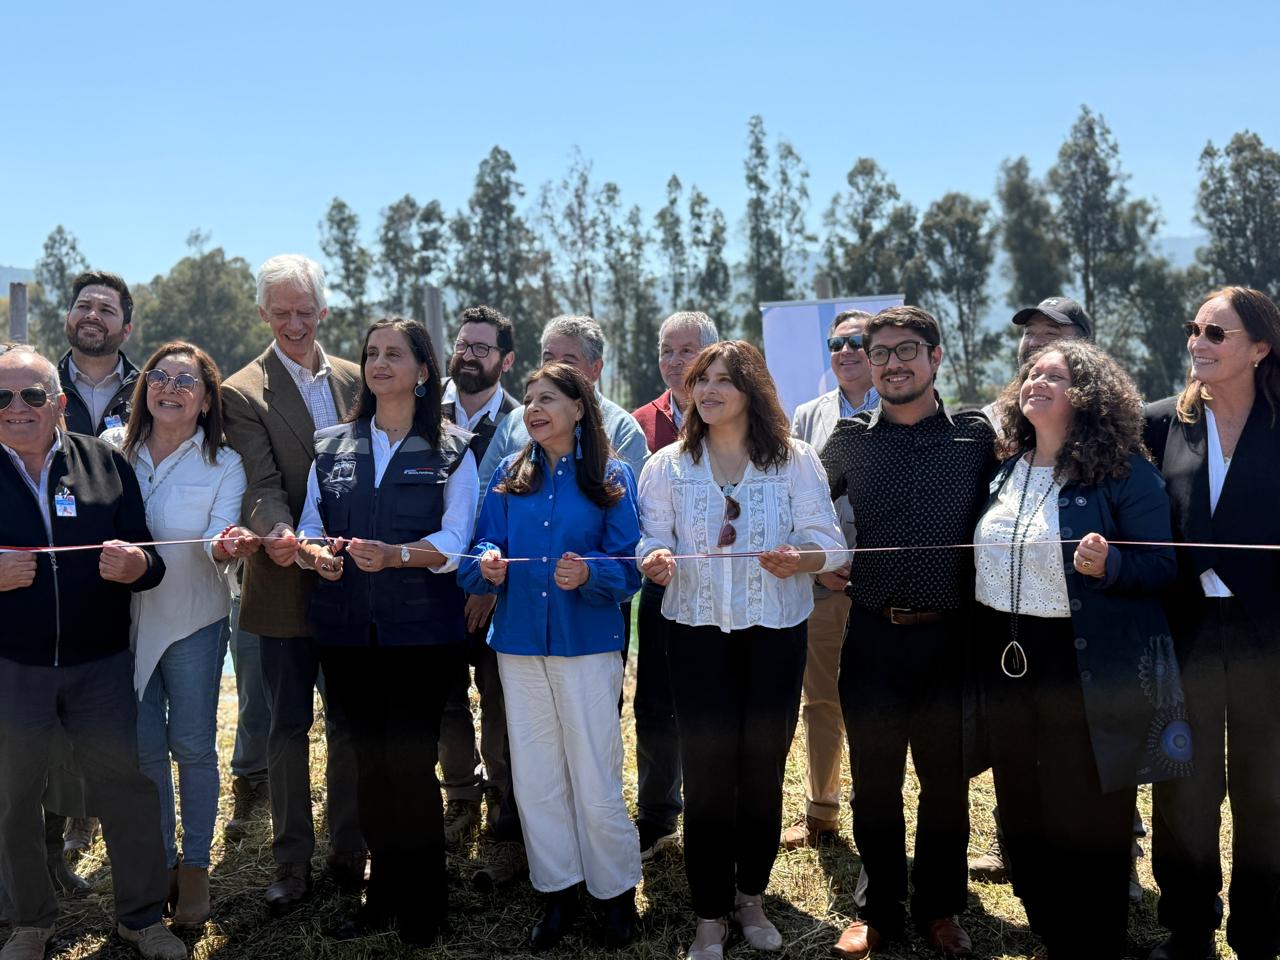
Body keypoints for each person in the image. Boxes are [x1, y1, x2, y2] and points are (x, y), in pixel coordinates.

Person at [638, 340, 847, 960]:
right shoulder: (667, 466)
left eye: (723, 380)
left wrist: (799, 560)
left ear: (752, 391)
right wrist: (653, 558)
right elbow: (649, 537)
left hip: (774, 636)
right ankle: (709, 913)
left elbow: (829, 546)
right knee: (705, 775)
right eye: (701, 380)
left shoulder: (795, 461)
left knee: (761, 769)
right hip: (694, 634)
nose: (706, 390)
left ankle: (750, 898)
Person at [975, 340, 1183, 959]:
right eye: (1031, 373)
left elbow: (1162, 566)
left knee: (1085, 809)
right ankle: (1055, 932)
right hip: (1009, 657)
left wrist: (1112, 563)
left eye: (1055, 376)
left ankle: (1095, 940)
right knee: (1020, 803)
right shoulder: (1006, 467)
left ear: (1087, 396)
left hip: (1083, 663)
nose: (1036, 381)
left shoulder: (1121, 471)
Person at [0, 345, 187, 960]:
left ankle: (140, 919)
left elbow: (151, 560)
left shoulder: (106, 462)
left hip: (100, 665)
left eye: (31, 396)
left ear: (58, 403)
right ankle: (29, 923)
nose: (16, 408)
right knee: (13, 796)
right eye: (2, 397)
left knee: (125, 789)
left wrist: (138, 565)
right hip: (12, 669)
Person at [820, 306, 996, 960]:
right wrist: (822, 562)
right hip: (872, 638)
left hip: (952, 642)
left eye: (907, 350)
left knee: (946, 784)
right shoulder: (846, 440)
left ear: (936, 357)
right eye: (880, 352)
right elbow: (803, 506)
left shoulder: (977, 438)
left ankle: (940, 909)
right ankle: (878, 909)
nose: (893, 363)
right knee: (875, 783)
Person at [295, 317, 477, 944]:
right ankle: (382, 897)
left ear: (424, 371)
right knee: (367, 766)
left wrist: (399, 555)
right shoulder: (331, 446)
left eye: (394, 355)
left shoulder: (454, 448)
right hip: (346, 634)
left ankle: (426, 905)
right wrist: (314, 554)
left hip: (422, 636)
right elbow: (309, 525)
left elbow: (457, 541)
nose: (379, 364)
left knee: (408, 764)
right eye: (372, 354)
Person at [460, 362, 643, 952]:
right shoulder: (510, 478)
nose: (533, 409)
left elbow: (630, 566)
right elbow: (479, 549)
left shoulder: (611, 476)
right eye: (530, 400)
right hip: (515, 648)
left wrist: (590, 572)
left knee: (594, 773)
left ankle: (615, 896)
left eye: (548, 399)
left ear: (579, 407)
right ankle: (557, 893)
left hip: (586, 647)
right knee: (537, 776)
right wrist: (486, 563)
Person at [221, 254, 365, 910]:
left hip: (352, 582)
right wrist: (282, 536)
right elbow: (260, 481)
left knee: (348, 723)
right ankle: (290, 864)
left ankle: (349, 851)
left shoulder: (361, 380)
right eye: (281, 313)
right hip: (282, 581)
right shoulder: (241, 391)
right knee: (285, 728)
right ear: (262, 314)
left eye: (305, 311)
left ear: (324, 311)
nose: (295, 323)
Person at [1145, 286, 1280, 960]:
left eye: (1216, 333)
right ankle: (1189, 927)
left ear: (1259, 349)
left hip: (1269, 643)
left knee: (1269, 789)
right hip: (1184, 636)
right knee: (1184, 788)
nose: (1198, 341)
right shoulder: (1160, 423)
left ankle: (1261, 931)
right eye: (1193, 328)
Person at [101, 341, 257, 927]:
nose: (170, 388)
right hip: (124, 625)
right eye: (159, 377)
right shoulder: (113, 450)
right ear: (143, 389)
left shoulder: (225, 463)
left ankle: (195, 869)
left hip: (194, 618)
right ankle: (160, 862)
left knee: (191, 747)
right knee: (143, 754)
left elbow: (222, 538)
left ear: (207, 398)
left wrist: (228, 544)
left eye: (185, 381)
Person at [54, 269, 145, 871]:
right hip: (43, 585)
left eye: (106, 309)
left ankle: (119, 845)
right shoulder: (29, 382)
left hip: (123, 580)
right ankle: (50, 852)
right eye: (83, 305)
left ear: (126, 326)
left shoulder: (150, 388)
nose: (93, 315)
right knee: (42, 723)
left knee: (113, 715)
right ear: (69, 316)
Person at [782, 308, 876, 849]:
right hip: (820, 586)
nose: (845, 351)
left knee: (879, 704)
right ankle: (821, 810)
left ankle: (876, 811)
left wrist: (860, 565)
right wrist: (827, 563)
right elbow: (795, 498)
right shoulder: (805, 416)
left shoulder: (900, 411)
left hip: (883, 588)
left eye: (858, 341)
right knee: (821, 701)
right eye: (835, 343)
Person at [629, 310, 719, 860]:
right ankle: (658, 813)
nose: (676, 361)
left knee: (715, 704)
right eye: (667, 350)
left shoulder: (744, 416)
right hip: (662, 587)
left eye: (688, 351)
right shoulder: (639, 424)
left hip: (725, 587)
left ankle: (716, 812)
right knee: (656, 704)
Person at [436, 305, 520, 850]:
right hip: (432, 584)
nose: (469, 355)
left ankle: (504, 807)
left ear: (506, 360)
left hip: (498, 588)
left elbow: (521, 507)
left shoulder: (522, 421)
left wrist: (487, 585)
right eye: (463, 345)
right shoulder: (420, 411)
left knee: (499, 700)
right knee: (445, 699)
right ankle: (460, 797)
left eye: (482, 348)